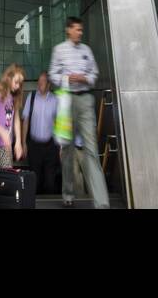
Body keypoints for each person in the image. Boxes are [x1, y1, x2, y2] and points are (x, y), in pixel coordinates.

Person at [48, 16, 109, 209]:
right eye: (76, 29)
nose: (80, 33)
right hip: (66, 102)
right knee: (67, 150)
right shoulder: (59, 50)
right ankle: (68, 194)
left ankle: (102, 202)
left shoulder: (87, 50)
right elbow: (52, 74)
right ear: (68, 30)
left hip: (85, 100)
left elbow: (95, 73)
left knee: (92, 149)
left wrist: (85, 79)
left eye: (81, 30)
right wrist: (68, 78)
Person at [23, 72, 61, 193]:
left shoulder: (55, 99)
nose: (40, 83)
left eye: (43, 81)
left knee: (50, 182)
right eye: (39, 81)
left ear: (49, 84)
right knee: (35, 181)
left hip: (51, 147)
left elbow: (58, 124)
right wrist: (23, 143)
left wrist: (61, 146)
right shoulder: (31, 97)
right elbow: (25, 121)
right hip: (34, 146)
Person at [0, 64, 25, 173]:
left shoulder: (13, 98)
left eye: (20, 84)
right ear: (8, 78)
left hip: (7, 144)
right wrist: (3, 133)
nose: (18, 86)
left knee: (5, 177)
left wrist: (18, 142)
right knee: (7, 176)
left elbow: (16, 120)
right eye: (16, 82)